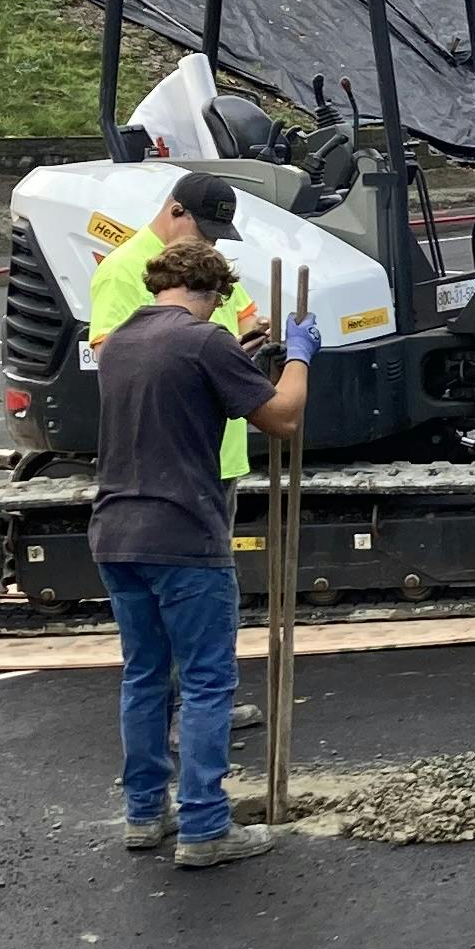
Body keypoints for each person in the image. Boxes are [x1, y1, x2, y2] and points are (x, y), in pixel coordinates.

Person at [97, 236, 313, 868]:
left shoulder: (122, 344)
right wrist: (298, 356)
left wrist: (240, 359)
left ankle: (144, 815)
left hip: (116, 531)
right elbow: (283, 418)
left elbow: (184, 384)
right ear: (215, 294)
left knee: (144, 678)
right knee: (206, 683)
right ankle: (205, 827)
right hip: (184, 534)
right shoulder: (205, 340)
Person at [89, 170, 270, 481]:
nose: (211, 242)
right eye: (205, 232)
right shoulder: (122, 269)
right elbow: (112, 357)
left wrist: (255, 332)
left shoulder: (205, 261)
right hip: (169, 456)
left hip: (221, 450)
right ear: (176, 212)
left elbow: (246, 315)